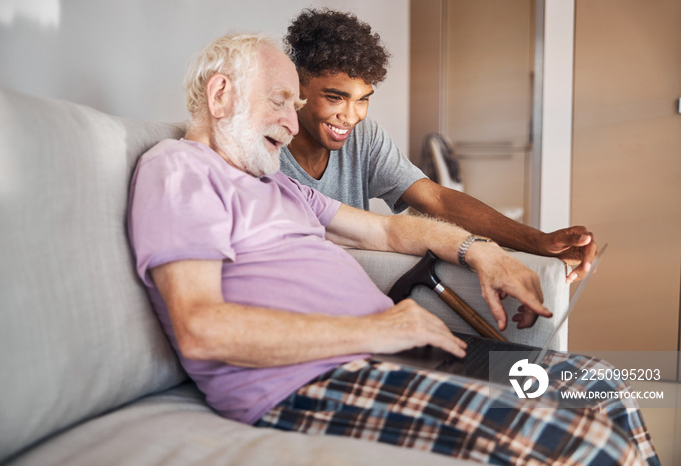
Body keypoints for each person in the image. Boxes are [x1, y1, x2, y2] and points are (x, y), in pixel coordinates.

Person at [128, 33, 658, 465]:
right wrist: (379, 328)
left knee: (592, 383)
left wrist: (485, 252)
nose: (292, 125)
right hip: (317, 376)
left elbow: (389, 231)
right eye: (279, 102)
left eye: (294, 106)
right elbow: (200, 328)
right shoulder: (181, 170)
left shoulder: (276, 184)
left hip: (395, 351)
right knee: (583, 446)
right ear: (220, 95)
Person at [281, 8, 597, 285]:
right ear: (296, 85)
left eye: (363, 100)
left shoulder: (365, 138)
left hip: (351, 290)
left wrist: (537, 241)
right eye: (335, 97)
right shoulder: (264, 152)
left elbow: (437, 199)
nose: (351, 116)